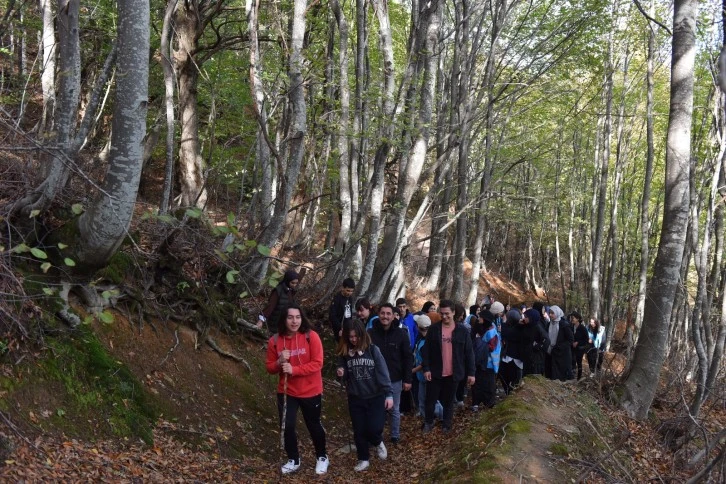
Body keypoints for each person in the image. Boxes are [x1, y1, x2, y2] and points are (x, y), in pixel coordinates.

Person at [265, 304, 328, 475]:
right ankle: (293, 459)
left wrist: (294, 370)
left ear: (302, 318)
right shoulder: (275, 341)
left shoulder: (311, 336)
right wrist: (279, 362)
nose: (294, 321)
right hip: (287, 391)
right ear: (284, 319)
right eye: (290, 317)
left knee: (313, 425)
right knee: (287, 425)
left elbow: (318, 363)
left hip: (311, 390)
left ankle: (322, 456)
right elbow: (270, 368)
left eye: (298, 317)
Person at [336, 320, 393, 472]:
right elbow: (342, 373)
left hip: (375, 396)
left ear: (362, 335)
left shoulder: (373, 350)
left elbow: (383, 372)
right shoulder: (345, 353)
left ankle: (378, 441)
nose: (354, 339)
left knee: (374, 428)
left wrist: (389, 394)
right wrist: (341, 372)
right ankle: (363, 458)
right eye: (350, 337)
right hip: (356, 397)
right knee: (359, 430)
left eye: (356, 336)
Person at [421, 299, 475, 433]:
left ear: (453, 313)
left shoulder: (462, 331)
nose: (444, 316)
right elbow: (426, 350)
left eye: (447, 314)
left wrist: (471, 373)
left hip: (453, 373)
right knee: (430, 400)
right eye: (442, 313)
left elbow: (469, 353)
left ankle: (447, 424)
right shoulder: (434, 329)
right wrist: (426, 368)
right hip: (435, 372)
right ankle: (428, 422)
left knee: (449, 401)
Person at [368, 303, 413, 443]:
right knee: (376, 410)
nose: (385, 316)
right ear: (378, 314)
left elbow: (408, 357)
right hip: (374, 379)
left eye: (388, 314)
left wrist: (407, 379)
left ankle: (395, 435)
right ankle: (376, 436)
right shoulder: (370, 333)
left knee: (394, 409)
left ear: (394, 316)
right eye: (383, 313)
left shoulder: (401, 334)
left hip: (395, 378)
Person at [471, 310, 501, 410]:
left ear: (484, 319)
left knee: (488, 384)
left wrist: (479, 342)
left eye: (480, 317)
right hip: (482, 362)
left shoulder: (491, 331)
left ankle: (489, 403)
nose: (478, 318)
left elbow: (492, 347)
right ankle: (477, 402)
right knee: (478, 383)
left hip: (488, 363)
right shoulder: (484, 328)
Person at [259, 269, 304, 334]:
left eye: (296, 283)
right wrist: (261, 320)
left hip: (285, 323)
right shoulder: (278, 291)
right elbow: (270, 306)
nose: (294, 285)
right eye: (292, 283)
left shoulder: (291, 291)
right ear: (287, 280)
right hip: (275, 323)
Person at [545, 305, 574, 381]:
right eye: (549, 313)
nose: (550, 315)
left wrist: (559, 347)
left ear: (557, 313)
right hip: (551, 352)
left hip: (562, 354)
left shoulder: (564, 325)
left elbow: (570, 339)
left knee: (560, 375)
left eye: (552, 313)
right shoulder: (549, 324)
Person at [499, 309, 525, 395]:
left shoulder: (517, 329)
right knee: (505, 377)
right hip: (508, 357)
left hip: (515, 358)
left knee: (513, 381)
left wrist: (504, 323)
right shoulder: (517, 327)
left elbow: (506, 333)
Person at [412, 313, 431, 416]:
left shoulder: (426, 343)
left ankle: (439, 416)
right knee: (422, 399)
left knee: (430, 400)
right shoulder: (422, 340)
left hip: (426, 376)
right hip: (421, 377)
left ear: (418, 327)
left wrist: (413, 370)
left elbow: (425, 362)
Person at [522, 308, 549, 376]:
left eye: (526, 317)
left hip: (536, 360)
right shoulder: (528, 325)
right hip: (528, 357)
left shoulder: (537, 327)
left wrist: (536, 347)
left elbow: (546, 340)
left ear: (531, 317)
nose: (524, 319)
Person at [570, 311, 589, 380]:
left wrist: (578, 342)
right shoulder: (571, 327)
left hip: (580, 349)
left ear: (577, 319)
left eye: (573, 318)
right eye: (571, 318)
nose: (571, 319)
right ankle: (571, 375)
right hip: (572, 348)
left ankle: (579, 378)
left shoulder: (582, 328)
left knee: (579, 362)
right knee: (572, 361)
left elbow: (586, 339)